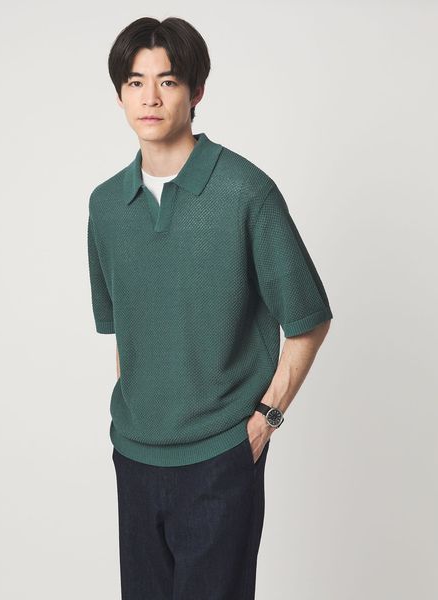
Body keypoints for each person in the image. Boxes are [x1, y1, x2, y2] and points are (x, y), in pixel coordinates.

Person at [87, 16, 333, 600]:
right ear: (120, 94)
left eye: (168, 81)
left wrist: (266, 419)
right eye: (135, 82)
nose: (150, 97)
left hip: (221, 457)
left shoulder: (246, 192)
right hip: (135, 456)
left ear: (196, 91)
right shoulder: (106, 206)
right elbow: (125, 331)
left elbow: (308, 317)